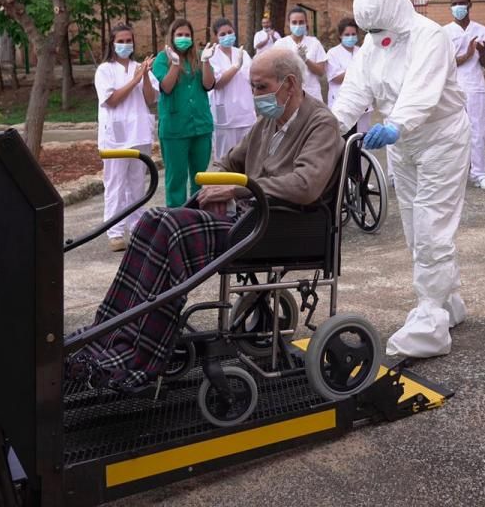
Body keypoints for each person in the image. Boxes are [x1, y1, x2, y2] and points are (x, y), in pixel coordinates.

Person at [66, 48, 343, 392]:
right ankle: (109, 335)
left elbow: (305, 185)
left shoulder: (321, 124)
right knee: (153, 221)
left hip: (280, 226)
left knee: (171, 230)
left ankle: (138, 353)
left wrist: (237, 191)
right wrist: (215, 187)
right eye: (253, 87)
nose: (255, 95)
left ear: (289, 84)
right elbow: (228, 163)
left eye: (260, 87)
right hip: (251, 220)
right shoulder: (269, 123)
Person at [331, 0, 470, 358]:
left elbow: (421, 91)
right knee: (412, 221)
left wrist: (396, 123)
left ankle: (429, 320)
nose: (375, 37)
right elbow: (355, 92)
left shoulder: (430, 37)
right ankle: (447, 300)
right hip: (402, 142)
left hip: (440, 137)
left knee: (431, 223)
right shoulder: (373, 45)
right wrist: (326, 131)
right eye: (370, 31)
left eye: (379, 28)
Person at [94, 24, 156, 252]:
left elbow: (150, 99)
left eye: (129, 40)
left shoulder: (138, 67)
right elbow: (111, 100)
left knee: (137, 184)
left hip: (139, 133)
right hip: (116, 138)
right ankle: (115, 232)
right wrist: (134, 79)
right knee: (115, 184)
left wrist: (145, 76)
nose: (125, 45)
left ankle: (137, 227)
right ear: (112, 43)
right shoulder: (104, 70)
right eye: (121, 40)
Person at [150, 19, 214, 207]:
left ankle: (197, 215)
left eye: (187, 35)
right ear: (172, 36)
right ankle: (176, 218)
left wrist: (206, 61)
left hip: (200, 126)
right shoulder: (163, 59)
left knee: (200, 178)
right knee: (176, 178)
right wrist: (175, 65)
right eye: (179, 35)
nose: (183, 38)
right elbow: (166, 87)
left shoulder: (200, 57)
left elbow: (208, 84)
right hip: (175, 128)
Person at [443, 0, 485, 190]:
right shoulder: (445, 33)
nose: (457, 7)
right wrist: (466, 55)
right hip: (453, 88)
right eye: (454, 4)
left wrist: (481, 53)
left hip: (475, 87)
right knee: (453, 133)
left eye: (461, 3)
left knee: (478, 131)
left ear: (469, 5)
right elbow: (444, 62)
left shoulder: (481, 30)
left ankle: (480, 173)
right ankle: (455, 175)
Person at [204, 17, 256, 158]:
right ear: (216, 37)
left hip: (246, 115)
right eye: (222, 34)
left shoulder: (242, 53)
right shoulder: (212, 56)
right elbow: (217, 84)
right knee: (225, 159)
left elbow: (253, 80)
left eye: (230, 32)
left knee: (248, 158)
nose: (227, 36)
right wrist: (235, 67)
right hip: (225, 116)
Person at [326, 17, 371, 134]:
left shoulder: (362, 51)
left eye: (353, 34)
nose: (351, 37)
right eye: (347, 34)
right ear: (340, 35)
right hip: (341, 102)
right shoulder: (333, 53)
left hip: (363, 102)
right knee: (343, 138)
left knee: (361, 139)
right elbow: (335, 77)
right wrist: (356, 71)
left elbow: (370, 74)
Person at [274, 7, 327, 102]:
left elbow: (321, 71)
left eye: (301, 22)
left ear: (306, 23)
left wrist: (306, 60)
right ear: (288, 23)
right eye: (294, 22)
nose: (298, 25)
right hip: (289, 95)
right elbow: (275, 71)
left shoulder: (314, 43)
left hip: (312, 94)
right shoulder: (280, 44)